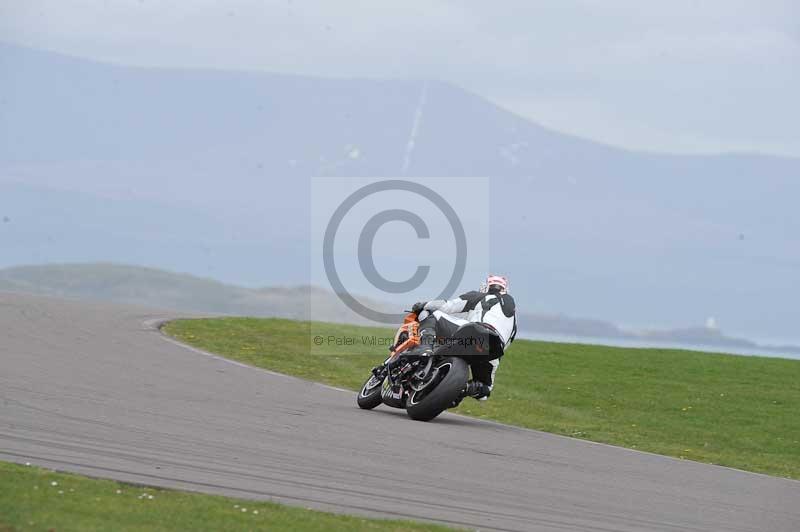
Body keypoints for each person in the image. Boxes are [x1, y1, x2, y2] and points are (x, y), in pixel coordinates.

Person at [412, 274, 516, 401]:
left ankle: (425, 348)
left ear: (485, 287)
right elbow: (506, 344)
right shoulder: (514, 320)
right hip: (494, 347)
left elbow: (447, 306)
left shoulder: (481, 296)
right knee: (485, 390)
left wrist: (424, 304)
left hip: (476, 331)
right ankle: (463, 389)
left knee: (432, 315)